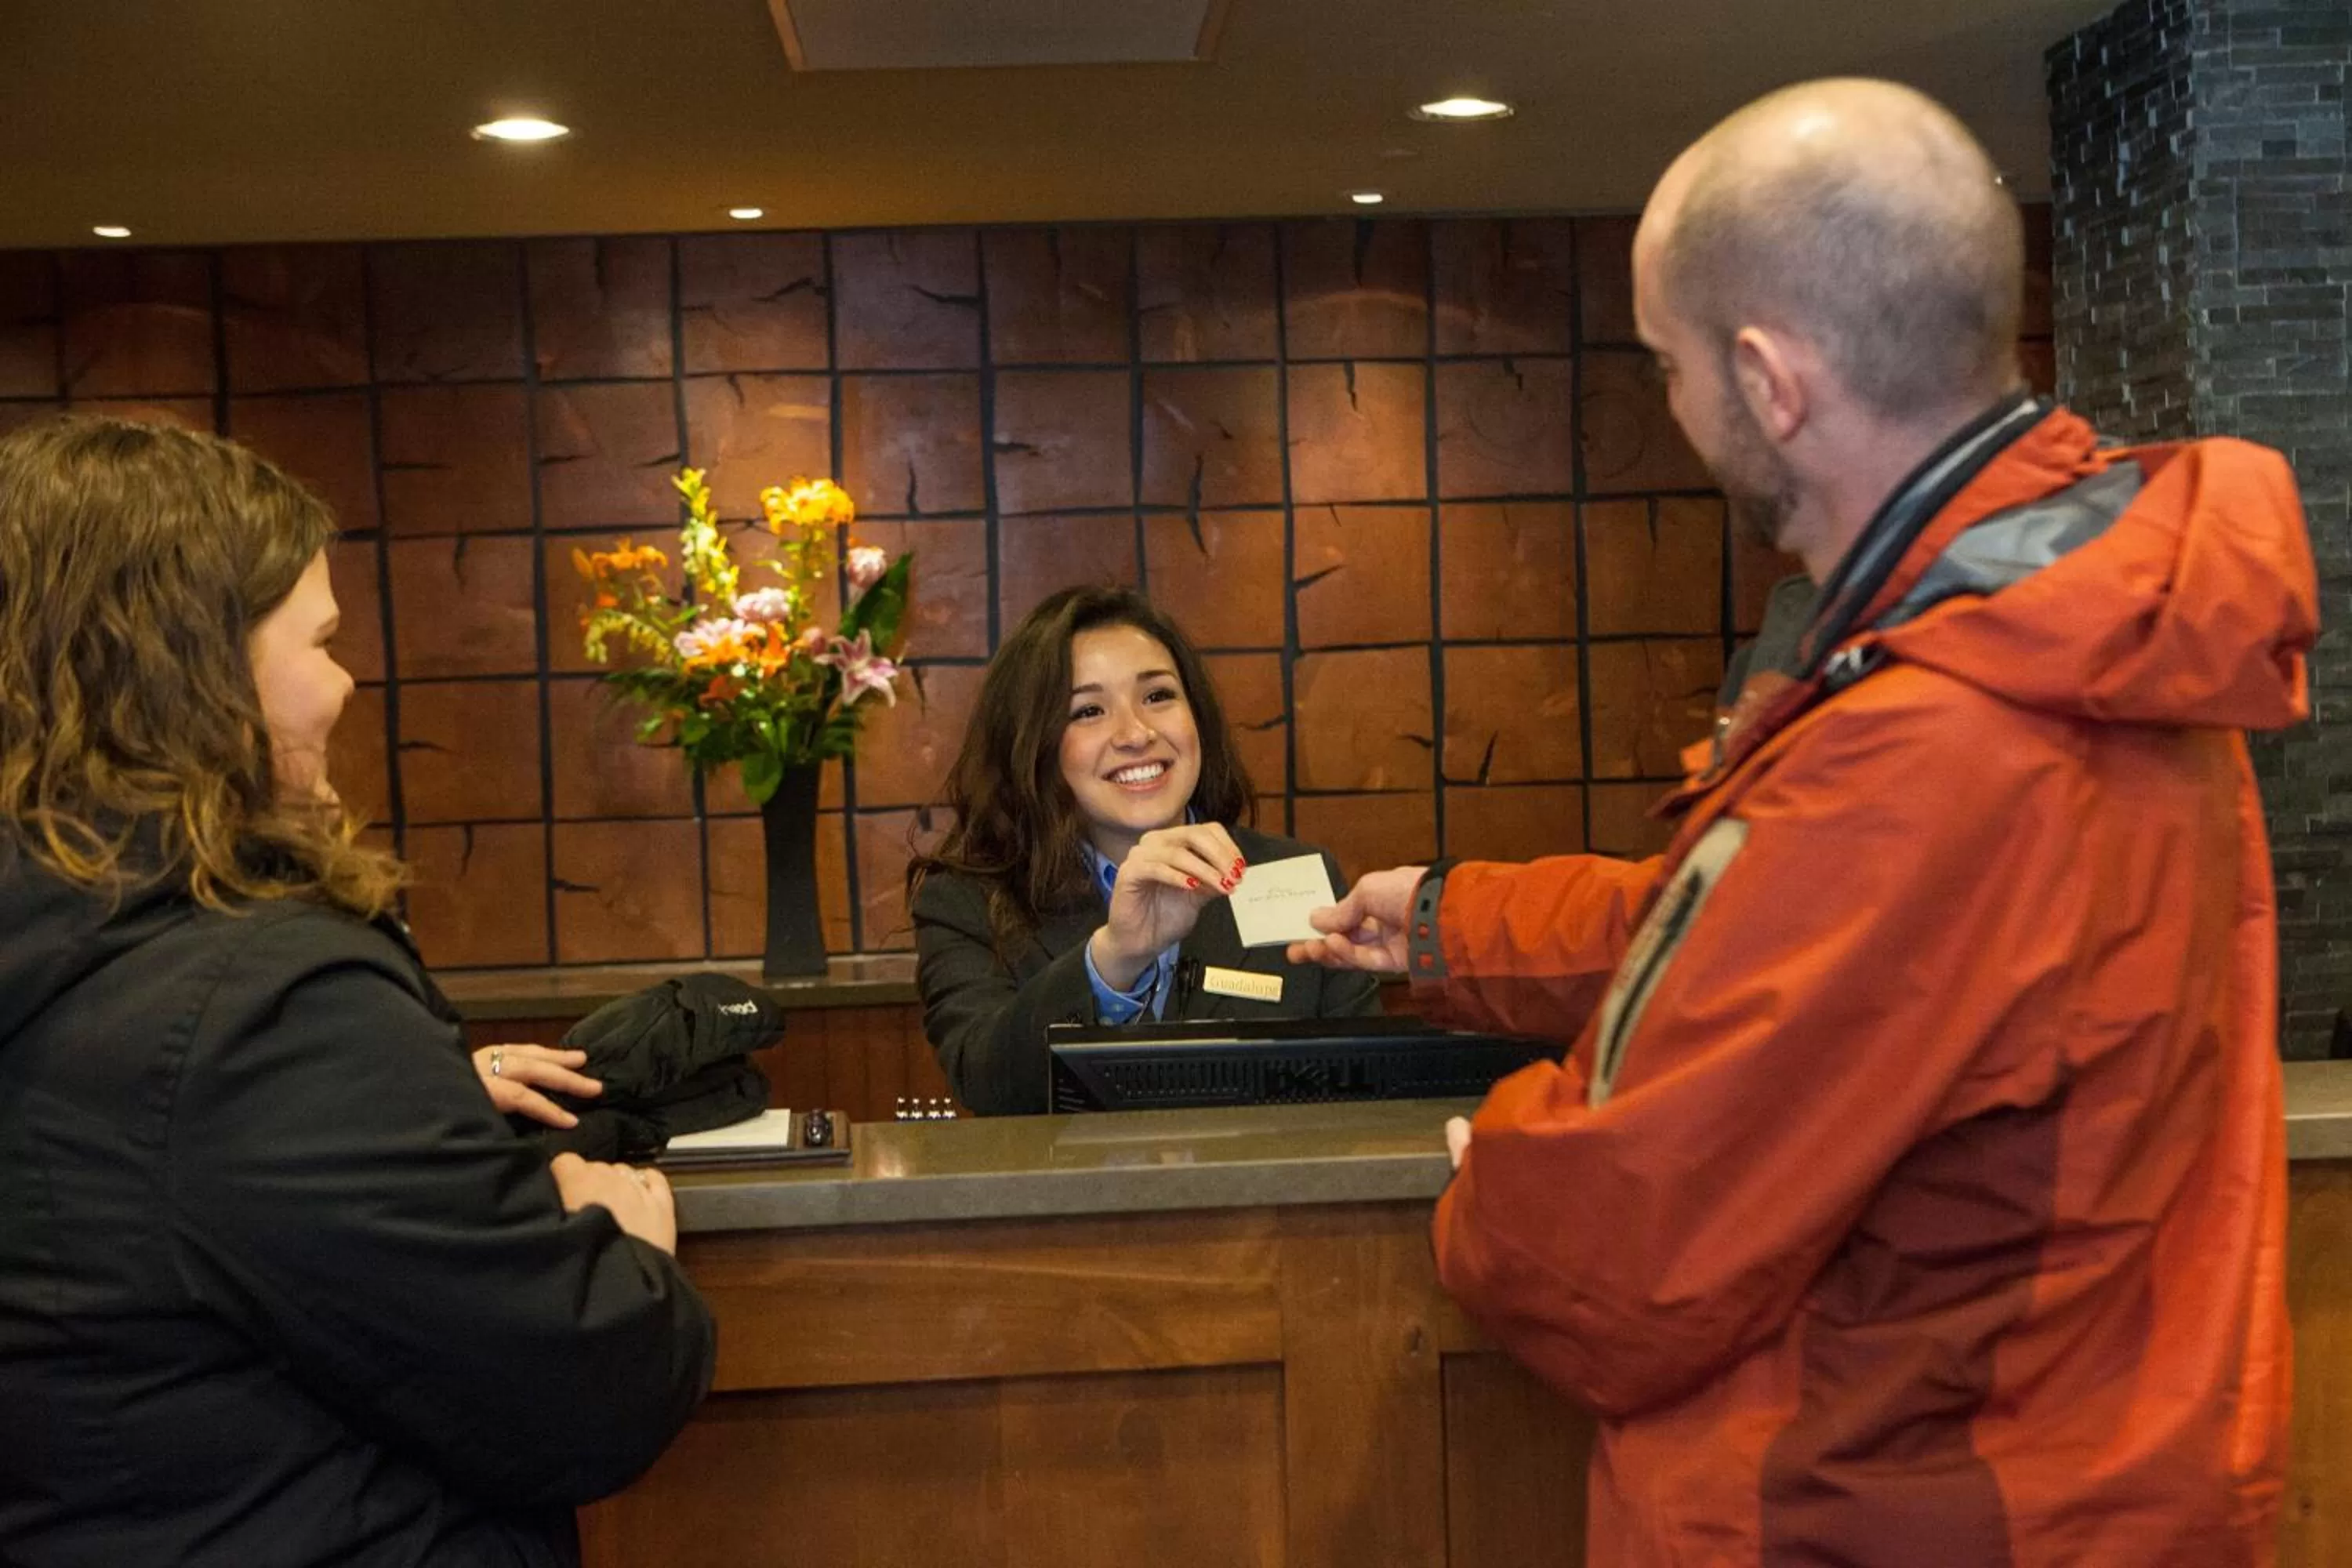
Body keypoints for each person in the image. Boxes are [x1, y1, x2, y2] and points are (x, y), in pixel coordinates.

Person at [1292, 78, 2310, 1566]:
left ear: (1769, 381)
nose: (1681, 407)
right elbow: (1780, 951)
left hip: (1905, 1510)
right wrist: (1454, 918)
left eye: (1670, 363)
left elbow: (1615, 1254)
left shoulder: (1925, 739)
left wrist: (1496, 1171)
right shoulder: (2090, 618)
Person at [0, 416, 715, 1567]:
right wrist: (623, 1256)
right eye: (320, 640)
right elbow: (581, 1388)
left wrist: (409, 1106)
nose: (344, 683)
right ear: (198, 669)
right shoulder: (264, 1005)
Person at [909, 585, 1380, 1115]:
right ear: (1033, 745)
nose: (1136, 734)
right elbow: (989, 1086)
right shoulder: (965, 903)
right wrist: (1112, 959)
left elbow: (1364, 1094)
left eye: (1158, 696)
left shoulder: (1293, 876)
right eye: (1088, 711)